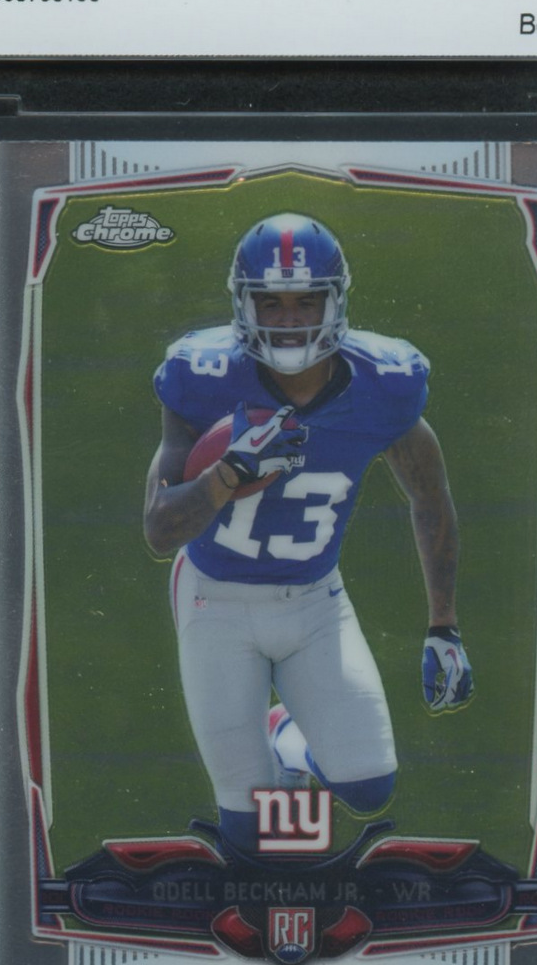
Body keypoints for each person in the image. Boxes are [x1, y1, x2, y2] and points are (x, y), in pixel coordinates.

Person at [144, 212, 473, 852]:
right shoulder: (201, 375)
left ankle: (288, 739)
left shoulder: (385, 384)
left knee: (370, 787)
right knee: (251, 834)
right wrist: (227, 474)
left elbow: (430, 497)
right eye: (271, 302)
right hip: (215, 600)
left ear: (336, 301)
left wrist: (444, 625)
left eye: (306, 301)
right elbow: (159, 531)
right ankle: (273, 764)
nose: (289, 319)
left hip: (317, 600)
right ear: (243, 304)